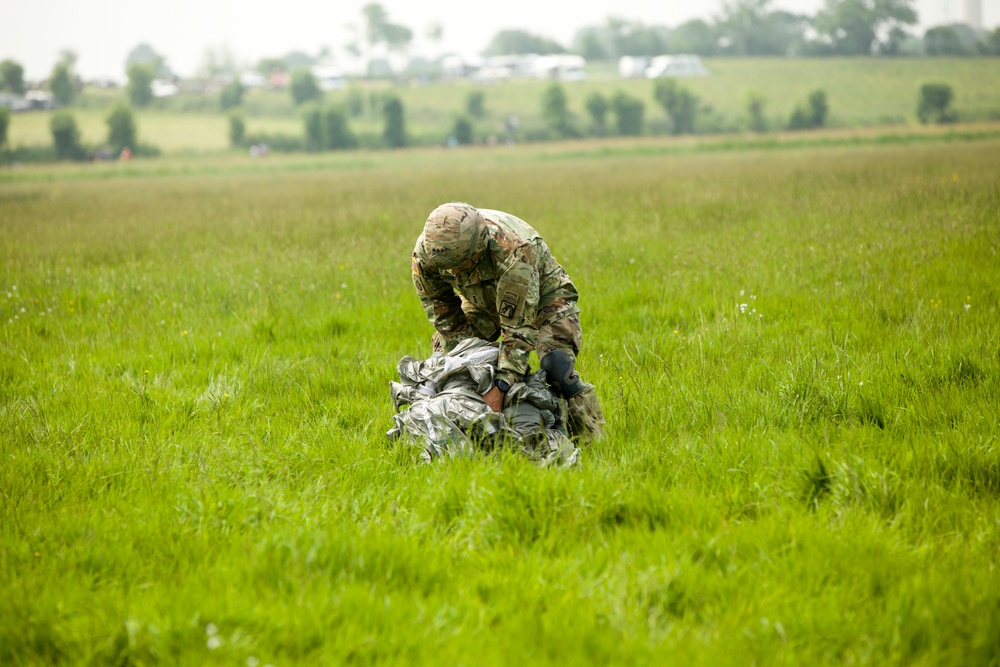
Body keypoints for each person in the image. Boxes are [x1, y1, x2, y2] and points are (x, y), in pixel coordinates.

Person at [411, 202, 605, 441]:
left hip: (545, 296)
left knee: (556, 366)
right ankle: (466, 435)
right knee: (454, 359)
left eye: (460, 266)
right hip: (481, 298)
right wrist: (465, 366)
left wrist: (501, 388)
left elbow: (518, 332)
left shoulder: (514, 252)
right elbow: (445, 316)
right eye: (447, 269)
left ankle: (589, 433)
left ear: (479, 248)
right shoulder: (429, 255)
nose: (453, 274)